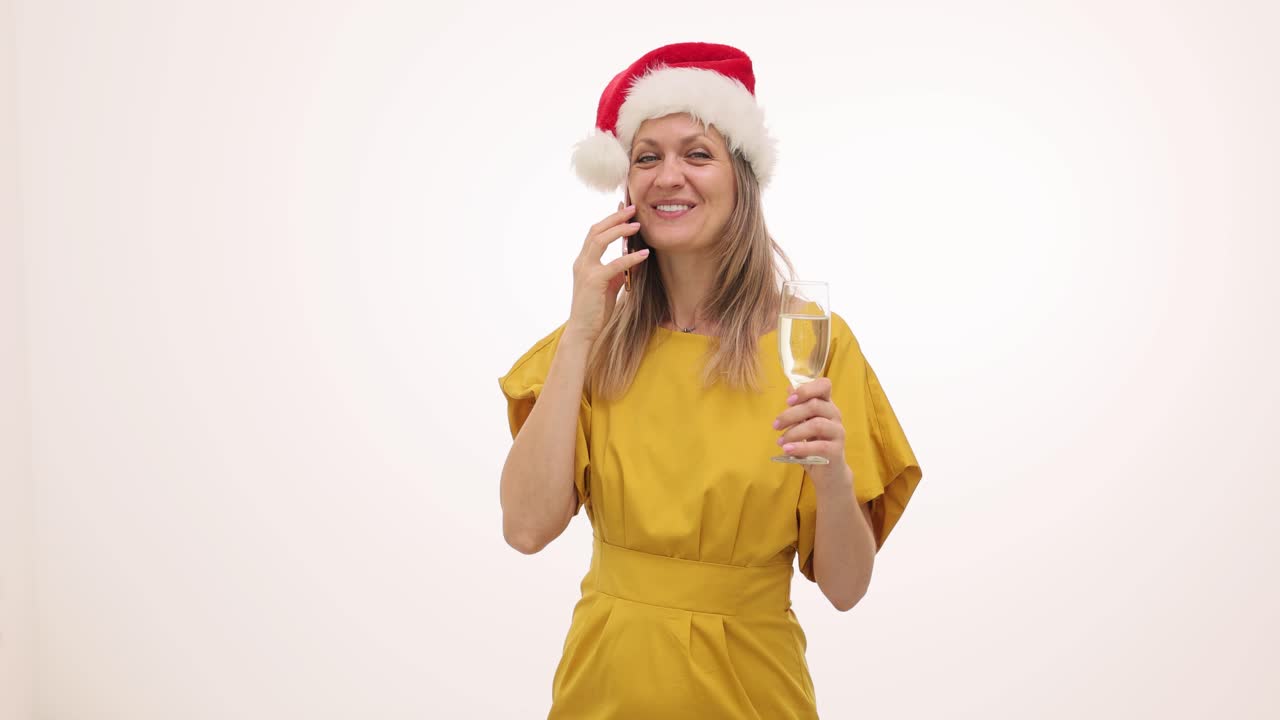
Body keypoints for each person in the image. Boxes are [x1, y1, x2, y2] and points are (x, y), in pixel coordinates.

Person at [497, 42, 923, 719]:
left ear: (742, 179)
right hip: (601, 691)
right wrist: (579, 333)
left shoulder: (812, 345)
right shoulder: (589, 343)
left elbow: (845, 589)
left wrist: (833, 475)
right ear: (626, 188)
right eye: (647, 156)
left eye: (697, 153)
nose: (671, 176)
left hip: (752, 694)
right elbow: (524, 527)